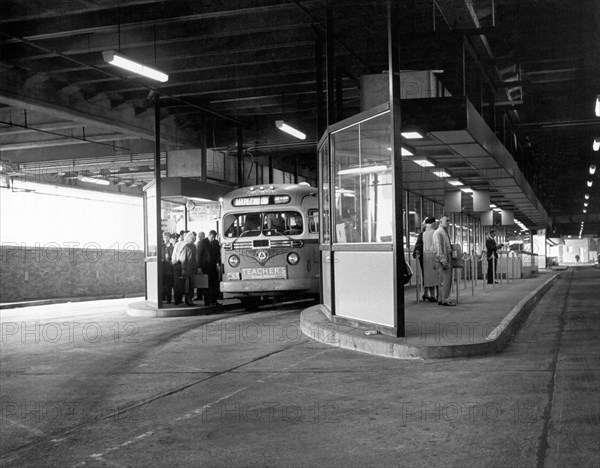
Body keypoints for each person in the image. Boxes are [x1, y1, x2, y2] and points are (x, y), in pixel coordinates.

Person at [432, 214, 455, 306]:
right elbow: (438, 248)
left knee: (443, 281)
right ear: (440, 222)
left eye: (449, 221)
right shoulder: (438, 233)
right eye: (447, 221)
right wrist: (444, 261)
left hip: (444, 259)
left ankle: (441, 299)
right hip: (443, 260)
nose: (448, 223)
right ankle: (445, 299)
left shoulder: (443, 232)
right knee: (446, 280)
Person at [200, 230, 222, 306]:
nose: (213, 239)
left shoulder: (215, 243)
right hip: (206, 267)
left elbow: (218, 254)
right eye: (212, 237)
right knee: (206, 285)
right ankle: (207, 300)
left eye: (214, 237)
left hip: (213, 267)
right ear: (209, 235)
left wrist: (219, 263)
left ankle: (214, 300)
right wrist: (199, 267)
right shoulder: (203, 242)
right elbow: (200, 255)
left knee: (214, 284)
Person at [422, 217, 439, 302]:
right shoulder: (435, 232)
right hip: (433, 256)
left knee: (428, 277)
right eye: (434, 223)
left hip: (426, 257)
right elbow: (436, 245)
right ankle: (433, 296)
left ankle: (429, 294)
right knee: (435, 277)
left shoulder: (424, 233)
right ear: (432, 224)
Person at [178, 231, 198, 306]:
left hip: (191, 268)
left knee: (191, 285)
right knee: (188, 285)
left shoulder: (193, 247)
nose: (195, 239)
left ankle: (189, 299)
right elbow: (183, 259)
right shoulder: (186, 247)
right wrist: (183, 268)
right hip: (187, 269)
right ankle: (188, 299)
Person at [161, 231, 174, 304]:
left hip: (169, 267)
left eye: (168, 237)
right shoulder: (161, 246)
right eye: (165, 237)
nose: (167, 239)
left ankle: (169, 299)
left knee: (169, 284)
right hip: (163, 267)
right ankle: (163, 297)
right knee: (163, 284)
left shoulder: (172, 246)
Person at [195, 231, 206, 301]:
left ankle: (199, 296)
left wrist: (199, 266)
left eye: (200, 236)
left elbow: (198, 256)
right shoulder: (206, 243)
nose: (199, 237)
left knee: (200, 281)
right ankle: (202, 295)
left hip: (200, 265)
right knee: (203, 281)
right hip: (205, 265)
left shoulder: (199, 243)